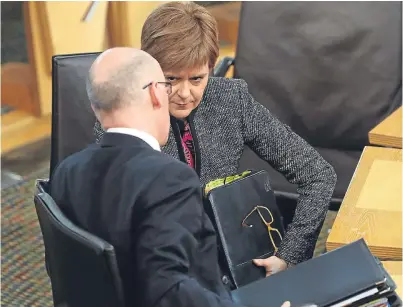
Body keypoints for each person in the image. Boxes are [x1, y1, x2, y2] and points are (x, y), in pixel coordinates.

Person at [94, 2, 337, 276]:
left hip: (231, 259)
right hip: (162, 269)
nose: (185, 93)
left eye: (197, 78)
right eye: (171, 78)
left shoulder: (232, 100)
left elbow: (318, 175)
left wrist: (289, 255)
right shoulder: (124, 119)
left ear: (212, 66)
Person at [51, 47, 293, 307]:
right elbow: (167, 291)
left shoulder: (67, 171)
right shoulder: (170, 180)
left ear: (94, 106)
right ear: (156, 92)